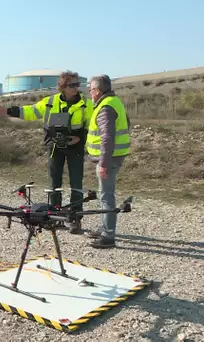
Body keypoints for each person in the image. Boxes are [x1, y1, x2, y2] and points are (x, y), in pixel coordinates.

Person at [0, 71, 93, 234]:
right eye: (72, 85)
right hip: (54, 147)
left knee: (76, 184)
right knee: (54, 183)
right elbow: (30, 112)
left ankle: (75, 219)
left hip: (76, 148)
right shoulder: (50, 102)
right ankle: (55, 216)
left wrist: (79, 138)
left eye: (77, 84)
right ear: (63, 87)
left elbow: (92, 125)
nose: (76, 88)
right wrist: (8, 111)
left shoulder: (87, 104)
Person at [84, 74, 131, 249]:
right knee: (104, 194)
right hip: (114, 156)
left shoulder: (105, 107)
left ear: (97, 90)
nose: (90, 94)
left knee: (106, 195)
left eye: (91, 90)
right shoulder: (114, 101)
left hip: (109, 158)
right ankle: (104, 228)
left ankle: (108, 236)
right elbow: (126, 123)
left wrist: (103, 162)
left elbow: (107, 137)